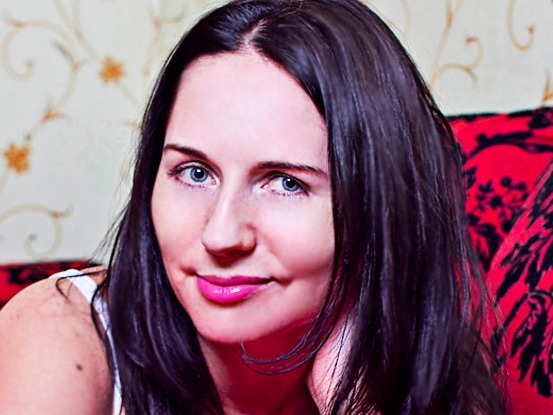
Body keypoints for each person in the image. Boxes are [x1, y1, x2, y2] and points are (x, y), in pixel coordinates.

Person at [0, 0, 507, 413]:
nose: (221, 236)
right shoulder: (58, 340)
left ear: (377, 204)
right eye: (195, 172)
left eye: (285, 183)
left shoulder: (438, 369)